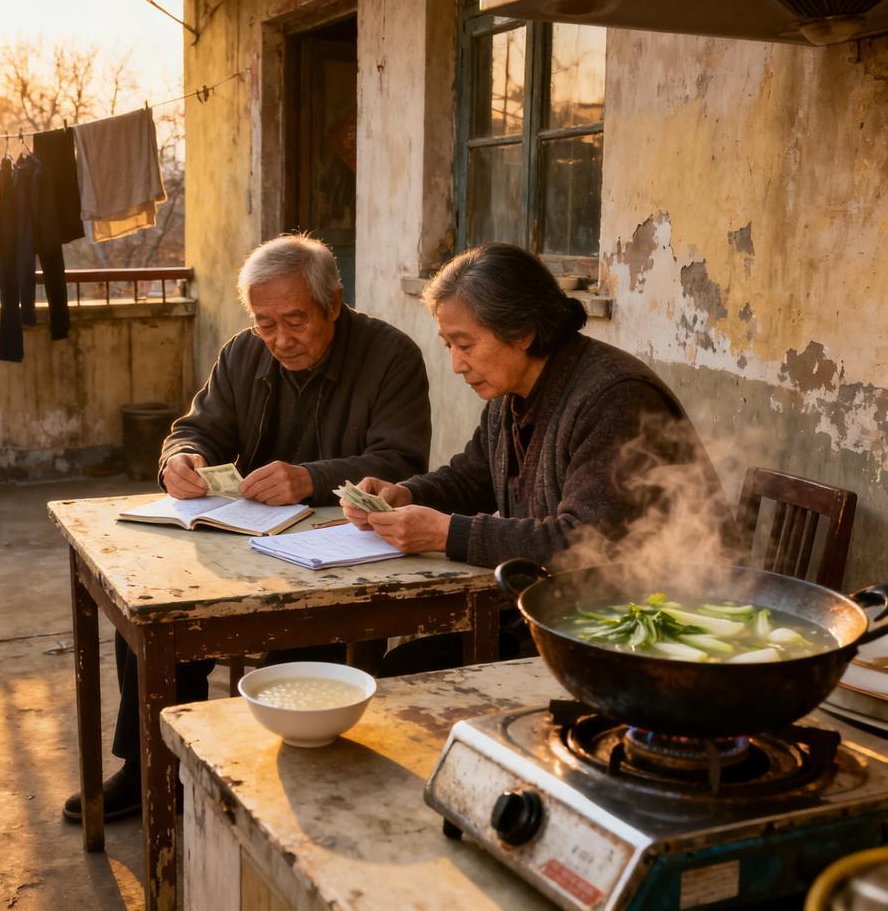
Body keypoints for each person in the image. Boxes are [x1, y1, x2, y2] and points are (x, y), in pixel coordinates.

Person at [64, 233, 431, 822]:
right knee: (150, 606)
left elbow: (402, 461)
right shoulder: (243, 353)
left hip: (339, 551)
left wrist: (310, 478)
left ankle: (288, 781)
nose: (280, 339)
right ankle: (152, 768)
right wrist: (177, 459)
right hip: (245, 538)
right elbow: (198, 428)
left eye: (296, 321)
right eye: (266, 323)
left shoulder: (391, 357)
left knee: (310, 634)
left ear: (333, 304)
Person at [340, 243, 726, 675]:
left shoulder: (614, 398)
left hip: (638, 632)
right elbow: (472, 476)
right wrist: (406, 493)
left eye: (465, 344)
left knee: (406, 673)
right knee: (404, 665)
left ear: (523, 331)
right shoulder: (511, 394)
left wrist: (447, 534)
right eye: (448, 344)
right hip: (555, 614)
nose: (456, 364)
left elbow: (582, 544)